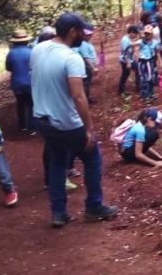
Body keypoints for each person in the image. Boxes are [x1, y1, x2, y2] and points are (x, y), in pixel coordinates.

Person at [31, 12, 118, 228]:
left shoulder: (38, 49)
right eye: (81, 30)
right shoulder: (72, 58)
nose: (84, 34)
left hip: (42, 120)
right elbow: (79, 96)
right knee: (92, 160)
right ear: (72, 32)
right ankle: (94, 206)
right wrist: (89, 128)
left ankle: (58, 213)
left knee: (58, 162)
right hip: (66, 123)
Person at [5, 29, 34, 133]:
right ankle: (32, 127)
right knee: (31, 104)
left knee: (20, 104)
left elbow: (8, 68)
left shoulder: (11, 53)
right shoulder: (31, 52)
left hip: (17, 83)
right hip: (30, 81)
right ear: (27, 41)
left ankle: (22, 126)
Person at [134, 25, 162, 103]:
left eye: (149, 33)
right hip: (143, 62)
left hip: (151, 62)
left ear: (152, 34)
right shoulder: (141, 42)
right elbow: (134, 45)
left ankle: (150, 93)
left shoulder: (154, 43)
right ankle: (145, 95)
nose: (147, 35)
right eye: (146, 33)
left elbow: (157, 52)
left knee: (151, 78)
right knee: (145, 79)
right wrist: (136, 52)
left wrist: (160, 62)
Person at [73, 23, 99, 104]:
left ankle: (87, 98)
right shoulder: (83, 44)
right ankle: (85, 100)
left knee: (87, 83)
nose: (90, 36)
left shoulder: (88, 43)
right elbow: (85, 57)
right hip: (86, 67)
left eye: (91, 34)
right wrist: (92, 67)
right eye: (88, 35)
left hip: (89, 67)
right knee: (86, 84)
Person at [118, 26, 139, 96]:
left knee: (127, 74)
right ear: (132, 32)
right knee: (126, 74)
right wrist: (128, 63)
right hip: (126, 60)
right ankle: (121, 90)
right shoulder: (125, 40)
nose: (136, 36)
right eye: (135, 34)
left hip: (130, 59)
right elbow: (125, 52)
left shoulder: (128, 39)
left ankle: (121, 90)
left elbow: (129, 50)